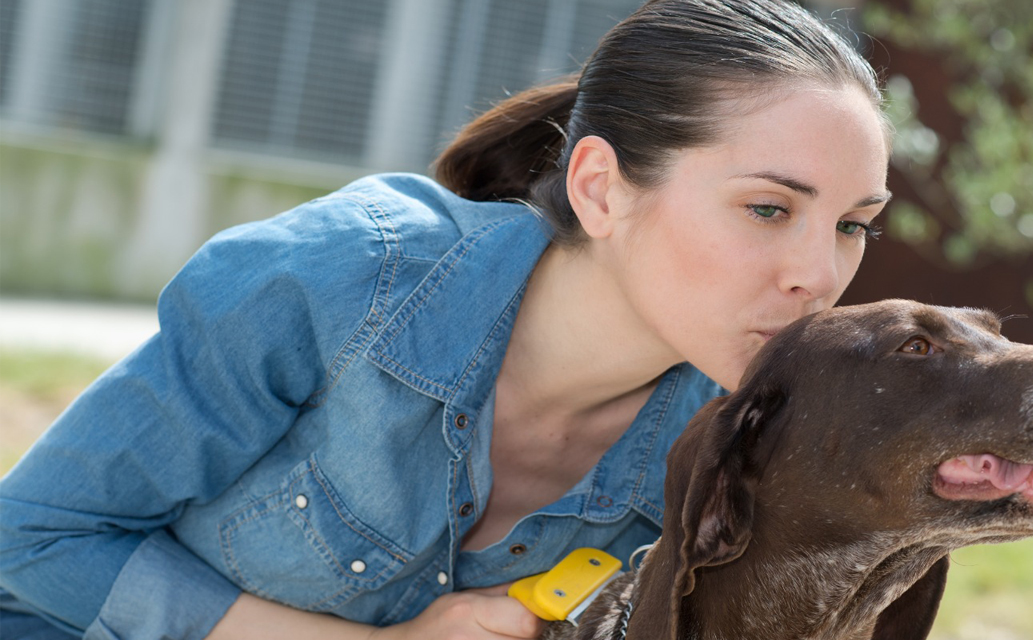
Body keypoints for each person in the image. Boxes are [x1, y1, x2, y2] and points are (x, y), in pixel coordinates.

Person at [0, 0, 893, 637]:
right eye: (769, 210)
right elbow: (33, 541)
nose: (819, 276)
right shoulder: (345, 278)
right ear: (600, 188)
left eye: (854, 226)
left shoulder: (732, 446)